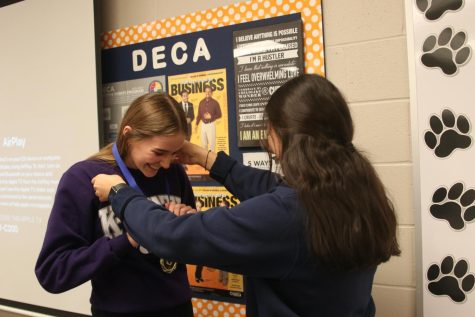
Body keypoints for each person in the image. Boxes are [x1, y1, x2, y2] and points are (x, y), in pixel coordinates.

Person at [92, 74, 401, 317]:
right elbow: (270, 186)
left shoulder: (288, 216)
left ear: (283, 134)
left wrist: (120, 193)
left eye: (269, 129)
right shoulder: (360, 193)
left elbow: (172, 236)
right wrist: (207, 158)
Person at [35, 93, 196, 317]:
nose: (167, 163)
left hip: (178, 308)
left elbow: (191, 247)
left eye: (173, 153)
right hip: (117, 311)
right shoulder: (83, 178)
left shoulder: (174, 173)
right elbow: (53, 271)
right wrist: (129, 239)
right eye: (159, 153)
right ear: (128, 135)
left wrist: (186, 225)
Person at [195, 86, 222, 152]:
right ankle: (205, 161)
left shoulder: (215, 103)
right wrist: (196, 124)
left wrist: (211, 117)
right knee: (204, 145)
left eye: (209, 92)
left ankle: (212, 161)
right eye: (206, 91)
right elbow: (199, 115)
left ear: (211, 93)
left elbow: (219, 114)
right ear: (204, 92)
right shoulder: (201, 102)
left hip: (211, 125)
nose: (208, 93)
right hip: (203, 125)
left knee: (212, 145)